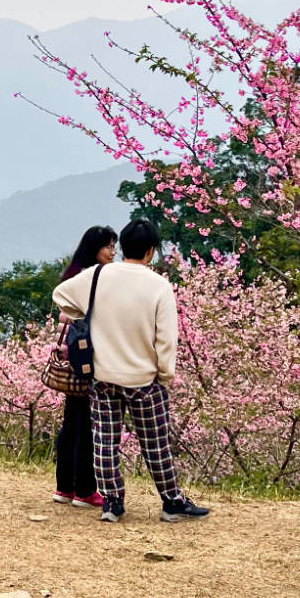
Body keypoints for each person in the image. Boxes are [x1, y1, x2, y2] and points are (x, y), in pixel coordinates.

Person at [52, 218, 209, 524]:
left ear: (123, 246)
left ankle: (112, 502)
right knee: (155, 443)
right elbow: (166, 338)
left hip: (104, 376)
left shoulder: (99, 275)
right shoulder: (158, 285)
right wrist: (165, 375)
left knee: (105, 441)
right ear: (151, 251)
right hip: (144, 379)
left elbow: (61, 295)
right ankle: (171, 502)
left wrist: (86, 313)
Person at [50, 225, 115, 508]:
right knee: (86, 426)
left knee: (71, 424)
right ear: (94, 249)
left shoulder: (72, 278)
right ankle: (85, 490)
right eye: (108, 247)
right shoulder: (95, 280)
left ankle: (65, 487)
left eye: (114, 246)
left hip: (71, 358)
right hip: (87, 360)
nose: (113, 252)